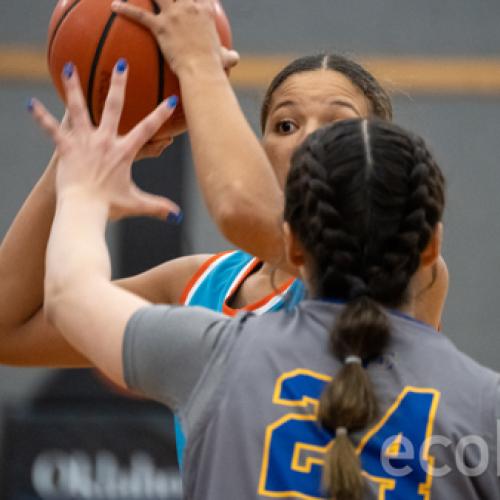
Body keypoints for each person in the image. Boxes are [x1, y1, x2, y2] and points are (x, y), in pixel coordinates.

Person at [30, 51, 498, 499]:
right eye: (286, 125)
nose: (309, 141)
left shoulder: (215, 352)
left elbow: (73, 293)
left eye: (337, 127)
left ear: (293, 240)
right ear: (428, 241)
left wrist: (84, 184)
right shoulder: (484, 405)